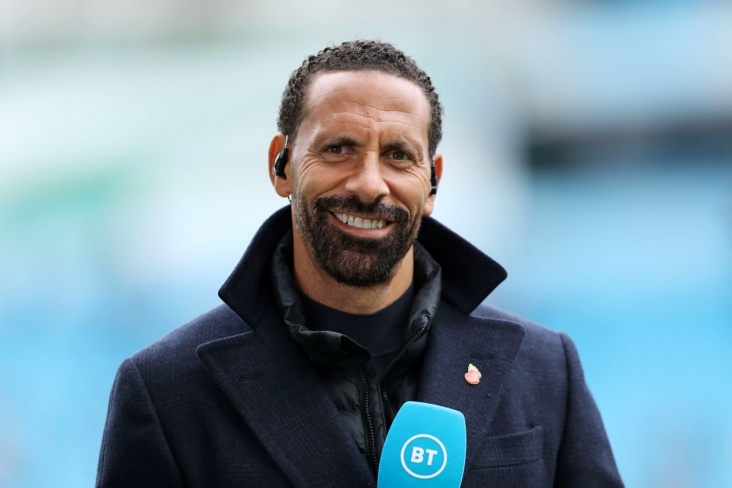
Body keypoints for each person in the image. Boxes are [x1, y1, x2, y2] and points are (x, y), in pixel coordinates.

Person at [96, 40, 623, 487]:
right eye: (338, 149)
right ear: (281, 165)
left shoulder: (546, 368)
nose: (370, 184)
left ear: (432, 182)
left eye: (398, 155)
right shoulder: (166, 390)